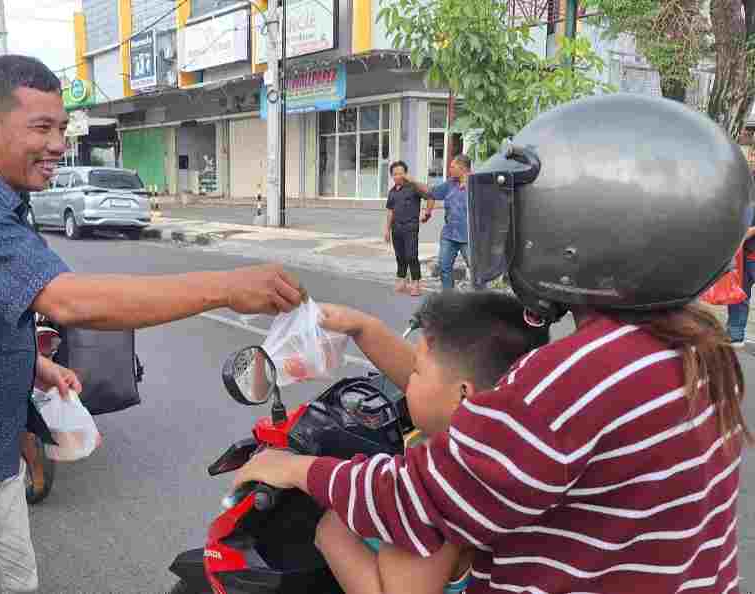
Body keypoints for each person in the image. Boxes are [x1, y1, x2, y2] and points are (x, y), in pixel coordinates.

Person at [233, 93, 750, 593]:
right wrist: (366, 329)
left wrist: (297, 471)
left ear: (580, 226)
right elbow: (470, 396)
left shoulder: (581, 377)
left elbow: (418, 498)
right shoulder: (686, 349)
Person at [0, 55, 303, 594]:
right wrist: (229, 288)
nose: (58, 144)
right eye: (41, 127)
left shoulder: (3, 195)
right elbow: (66, 301)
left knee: (19, 582)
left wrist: (32, 362)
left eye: (62, 127)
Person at [302, 292, 548, 594]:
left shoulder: (438, 491)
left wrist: (332, 529)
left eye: (416, 371)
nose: (408, 381)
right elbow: (441, 385)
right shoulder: (511, 441)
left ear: (464, 396)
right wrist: (364, 328)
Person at [432, 155, 483, 291]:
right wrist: (413, 183)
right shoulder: (450, 183)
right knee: (444, 267)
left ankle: (482, 298)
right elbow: (432, 192)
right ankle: (448, 298)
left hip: (469, 237)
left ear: (463, 168)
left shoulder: (477, 184)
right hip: (449, 234)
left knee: (476, 270)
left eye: (452, 167)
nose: (449, 169)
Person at [385, 161, 435, 296]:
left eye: (401, 173)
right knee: (400, 256)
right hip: (396, 228)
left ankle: (416, 283)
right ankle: (402, 280)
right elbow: (390, 211)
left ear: (406, 174)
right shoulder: (392, 192)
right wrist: (387, 230)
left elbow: (430, 194)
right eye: (395, 174)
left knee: (411, 256)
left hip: (410, 227)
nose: (398, 176)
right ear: (392, 176)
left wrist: (428, 212)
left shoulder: (414, 187)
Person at [725, 194, 755, 346]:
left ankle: (735, 334)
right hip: (745, 254)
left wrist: (750, 231)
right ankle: (735, 335)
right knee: (739, 295)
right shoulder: (749, 180)